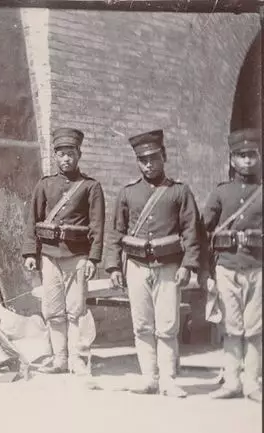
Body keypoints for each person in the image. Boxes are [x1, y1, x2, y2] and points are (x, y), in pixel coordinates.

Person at [104, 129, 200, 397]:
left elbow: (191, 231)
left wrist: (187, 265)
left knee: (167, 325)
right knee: (142, 325)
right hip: (136, 267)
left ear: (164, 157)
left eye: (153, 158)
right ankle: (149, 378)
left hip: (168, 267)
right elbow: (116, 231)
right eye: (143, 160)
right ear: (138, 162)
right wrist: (113, 267)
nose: (148, 165)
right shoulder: (128, 193)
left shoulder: (179, 192)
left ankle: (168, 379)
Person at [23, 127, 105, 376]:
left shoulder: (90, 187)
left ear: (79, 154)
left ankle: (77, 359)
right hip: (50, 257)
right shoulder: (45, 185)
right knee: (53, 310)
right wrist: (30, 253)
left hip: (77, 257)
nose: (66, 159)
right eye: (61, 154)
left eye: (70, 154)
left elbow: (98, 226)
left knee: (76, 311)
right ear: (55, 156)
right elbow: (32, 220)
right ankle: (60, 359)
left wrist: (93, 258)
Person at [202, 128, 262, 403]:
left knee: (255, 329)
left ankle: (252, 384)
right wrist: (206, 271)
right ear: (232, 159)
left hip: (257, 268)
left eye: (252, 155)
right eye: (241, 155)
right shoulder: (221, 193)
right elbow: (204, 233)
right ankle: (232, 382)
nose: (247, 160)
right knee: (231, 327)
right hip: (226, 267)